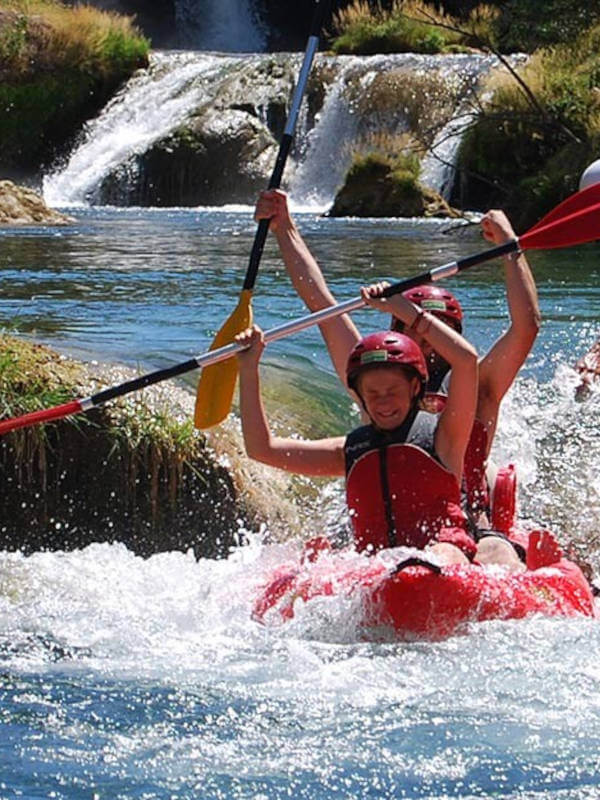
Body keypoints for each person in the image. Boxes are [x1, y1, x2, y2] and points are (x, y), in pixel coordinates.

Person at [254, 190, 541, 540]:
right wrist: (284, 227)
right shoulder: (378, 381)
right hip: (390, 527)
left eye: (436, 330)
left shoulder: (477, 386)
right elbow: (320, 302)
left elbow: (527, 326)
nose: (426, 342)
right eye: (416, 332)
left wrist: (510, 247)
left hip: (464, 527)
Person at [236, 285, 524, 569]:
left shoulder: (445, 437)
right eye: (372, 394)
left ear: (414, 387)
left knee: (437, 557)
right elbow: (262, 449)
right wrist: (248, 369)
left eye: (392, 391)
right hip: (378, 568)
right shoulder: (352, 450)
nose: (383, 402)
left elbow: (465, 360)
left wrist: (405, 311)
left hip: (442, 554)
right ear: (360, 396)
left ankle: (422, 571)